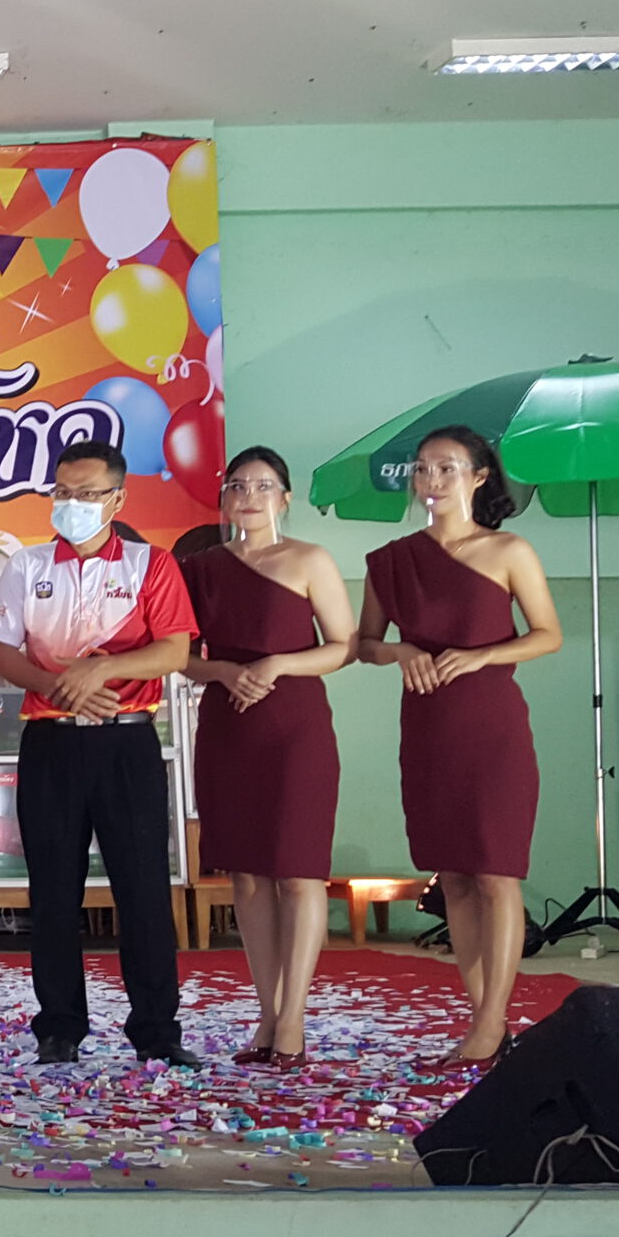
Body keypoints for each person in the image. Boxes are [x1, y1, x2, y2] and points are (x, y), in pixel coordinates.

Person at [0, 439, 201, 1067]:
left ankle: (156, 1030)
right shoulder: (26, 566)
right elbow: (0, 652)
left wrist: (100, 673)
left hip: (127, 741)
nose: (71, 504)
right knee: (53, 891)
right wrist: (61, 685)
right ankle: (59, 1028)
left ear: (117, 499)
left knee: (143, 889)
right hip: (50, 742)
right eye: (62, 492)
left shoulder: (150, 564)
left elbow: (174, 650)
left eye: (86, 494)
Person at [357, 426, 559, 1070]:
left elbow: (547, 634)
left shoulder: (508, 550)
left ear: (479, 477)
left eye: (447, 468)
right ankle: (482, 1019)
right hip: (427, 728)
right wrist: (401, 651)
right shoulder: (391, 560)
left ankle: (493, 1022)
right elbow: (365, 644)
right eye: (423, 468)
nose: (432, 479)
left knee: (497, 873)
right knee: (457, 878)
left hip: (493, 727)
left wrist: (480, 656)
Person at [181, 447, 352, 1066]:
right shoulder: (200, 568)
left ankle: (295, 1020)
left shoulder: (310, 559)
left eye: (262, 486)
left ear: (285, 497)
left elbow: (344, 645)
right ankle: (268, 1014)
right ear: (224, 498)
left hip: (295, 727)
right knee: (247, 875)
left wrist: (278, 662)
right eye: (237, 486)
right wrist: (224, 670)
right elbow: (179, 654)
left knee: (299, 871)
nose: (249, 496)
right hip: (228, 724)